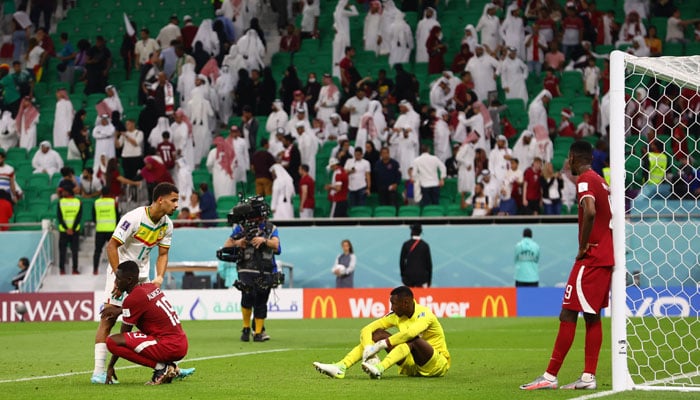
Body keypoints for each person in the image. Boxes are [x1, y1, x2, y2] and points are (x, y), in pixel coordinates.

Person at [521, 140, 614, 391]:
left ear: (573, 157)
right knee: (592, 316)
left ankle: (550, 376)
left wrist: (583, 246)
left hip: (591, 258)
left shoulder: (584, 179)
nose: (567, 163)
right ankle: (587, 377)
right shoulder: (601, 181)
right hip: (605, 256)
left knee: (568, 312)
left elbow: (590, 211)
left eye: (568, 158)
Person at [91, 182, 184, 384]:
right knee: (108, 317)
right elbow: (111, 246)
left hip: (142, 274)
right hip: (121, 273)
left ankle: (168, 365)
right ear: (160, 200)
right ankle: (98, 372)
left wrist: (159, 277)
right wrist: (118, 276)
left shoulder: (167, 224)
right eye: (174, 200)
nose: (177, 205)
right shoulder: (133, 218)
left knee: (147, 322)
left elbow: (163, 253)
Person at [313, 286, 450, 379]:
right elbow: (367, 329)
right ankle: (341, 367)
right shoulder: (396, 315)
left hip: (435, 364)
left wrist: (381, 345)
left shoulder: (425, 314)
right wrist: (369, 349)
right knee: (377, 334)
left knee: (412, 339)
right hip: (411, 365)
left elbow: (410, 333)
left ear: (406, 303)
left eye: (394, 303)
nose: (391, 307)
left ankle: (380, 368)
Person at [105, 260, 193, 385]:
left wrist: (110, 366)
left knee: (111, 342)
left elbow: (123, 336)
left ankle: (160, 368)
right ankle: (169, 366)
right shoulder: (149, 287)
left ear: (129, 280)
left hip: (168, 346)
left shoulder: (132, 299)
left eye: (118, 278)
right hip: (180, 343)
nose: (115, 282)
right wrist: (120, 310)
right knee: (137, 337)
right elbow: (144, 305)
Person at [221, 196, 281, 342]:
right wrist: (238, 242)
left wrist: (264, 240)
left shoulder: (271, 228)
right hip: (246, 267)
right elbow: (227, 245)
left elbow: (277, 246)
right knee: (247, 296)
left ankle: (258, 332)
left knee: (261, 300)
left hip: (265, 269)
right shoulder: (240, 228)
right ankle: (246, 328)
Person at [57, 180, 82, 275]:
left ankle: (62, 270)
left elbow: (60, 217)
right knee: (74, 251)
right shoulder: (78, 202)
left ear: (68, 192)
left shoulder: (61, 202)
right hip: (74, 230)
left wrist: (67, 229)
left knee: (63, 251)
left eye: (63, 191)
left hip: (64, 231)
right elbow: (78, 217)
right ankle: (74, 269)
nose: (62, 193)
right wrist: (72, 228)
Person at [92, 187, 118, 276]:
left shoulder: (96, 203)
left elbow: (93, 217)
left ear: (101, 194)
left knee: (97, 251)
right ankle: (116, 270)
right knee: (114, 250)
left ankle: (95, 270)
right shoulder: (113, 202)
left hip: (100, 230)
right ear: (109, 193)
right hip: (112, 230)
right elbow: (118, 216)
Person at [399, 224, 432, 288]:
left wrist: (403, 276)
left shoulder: (406, 244)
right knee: (420, 297)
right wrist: (429, 280)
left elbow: (401, 262)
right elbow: (429, 265)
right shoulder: (425, 245)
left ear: (412, 232)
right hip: (422, 279)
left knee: (408, 297)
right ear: (420, 232)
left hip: (408, 279)